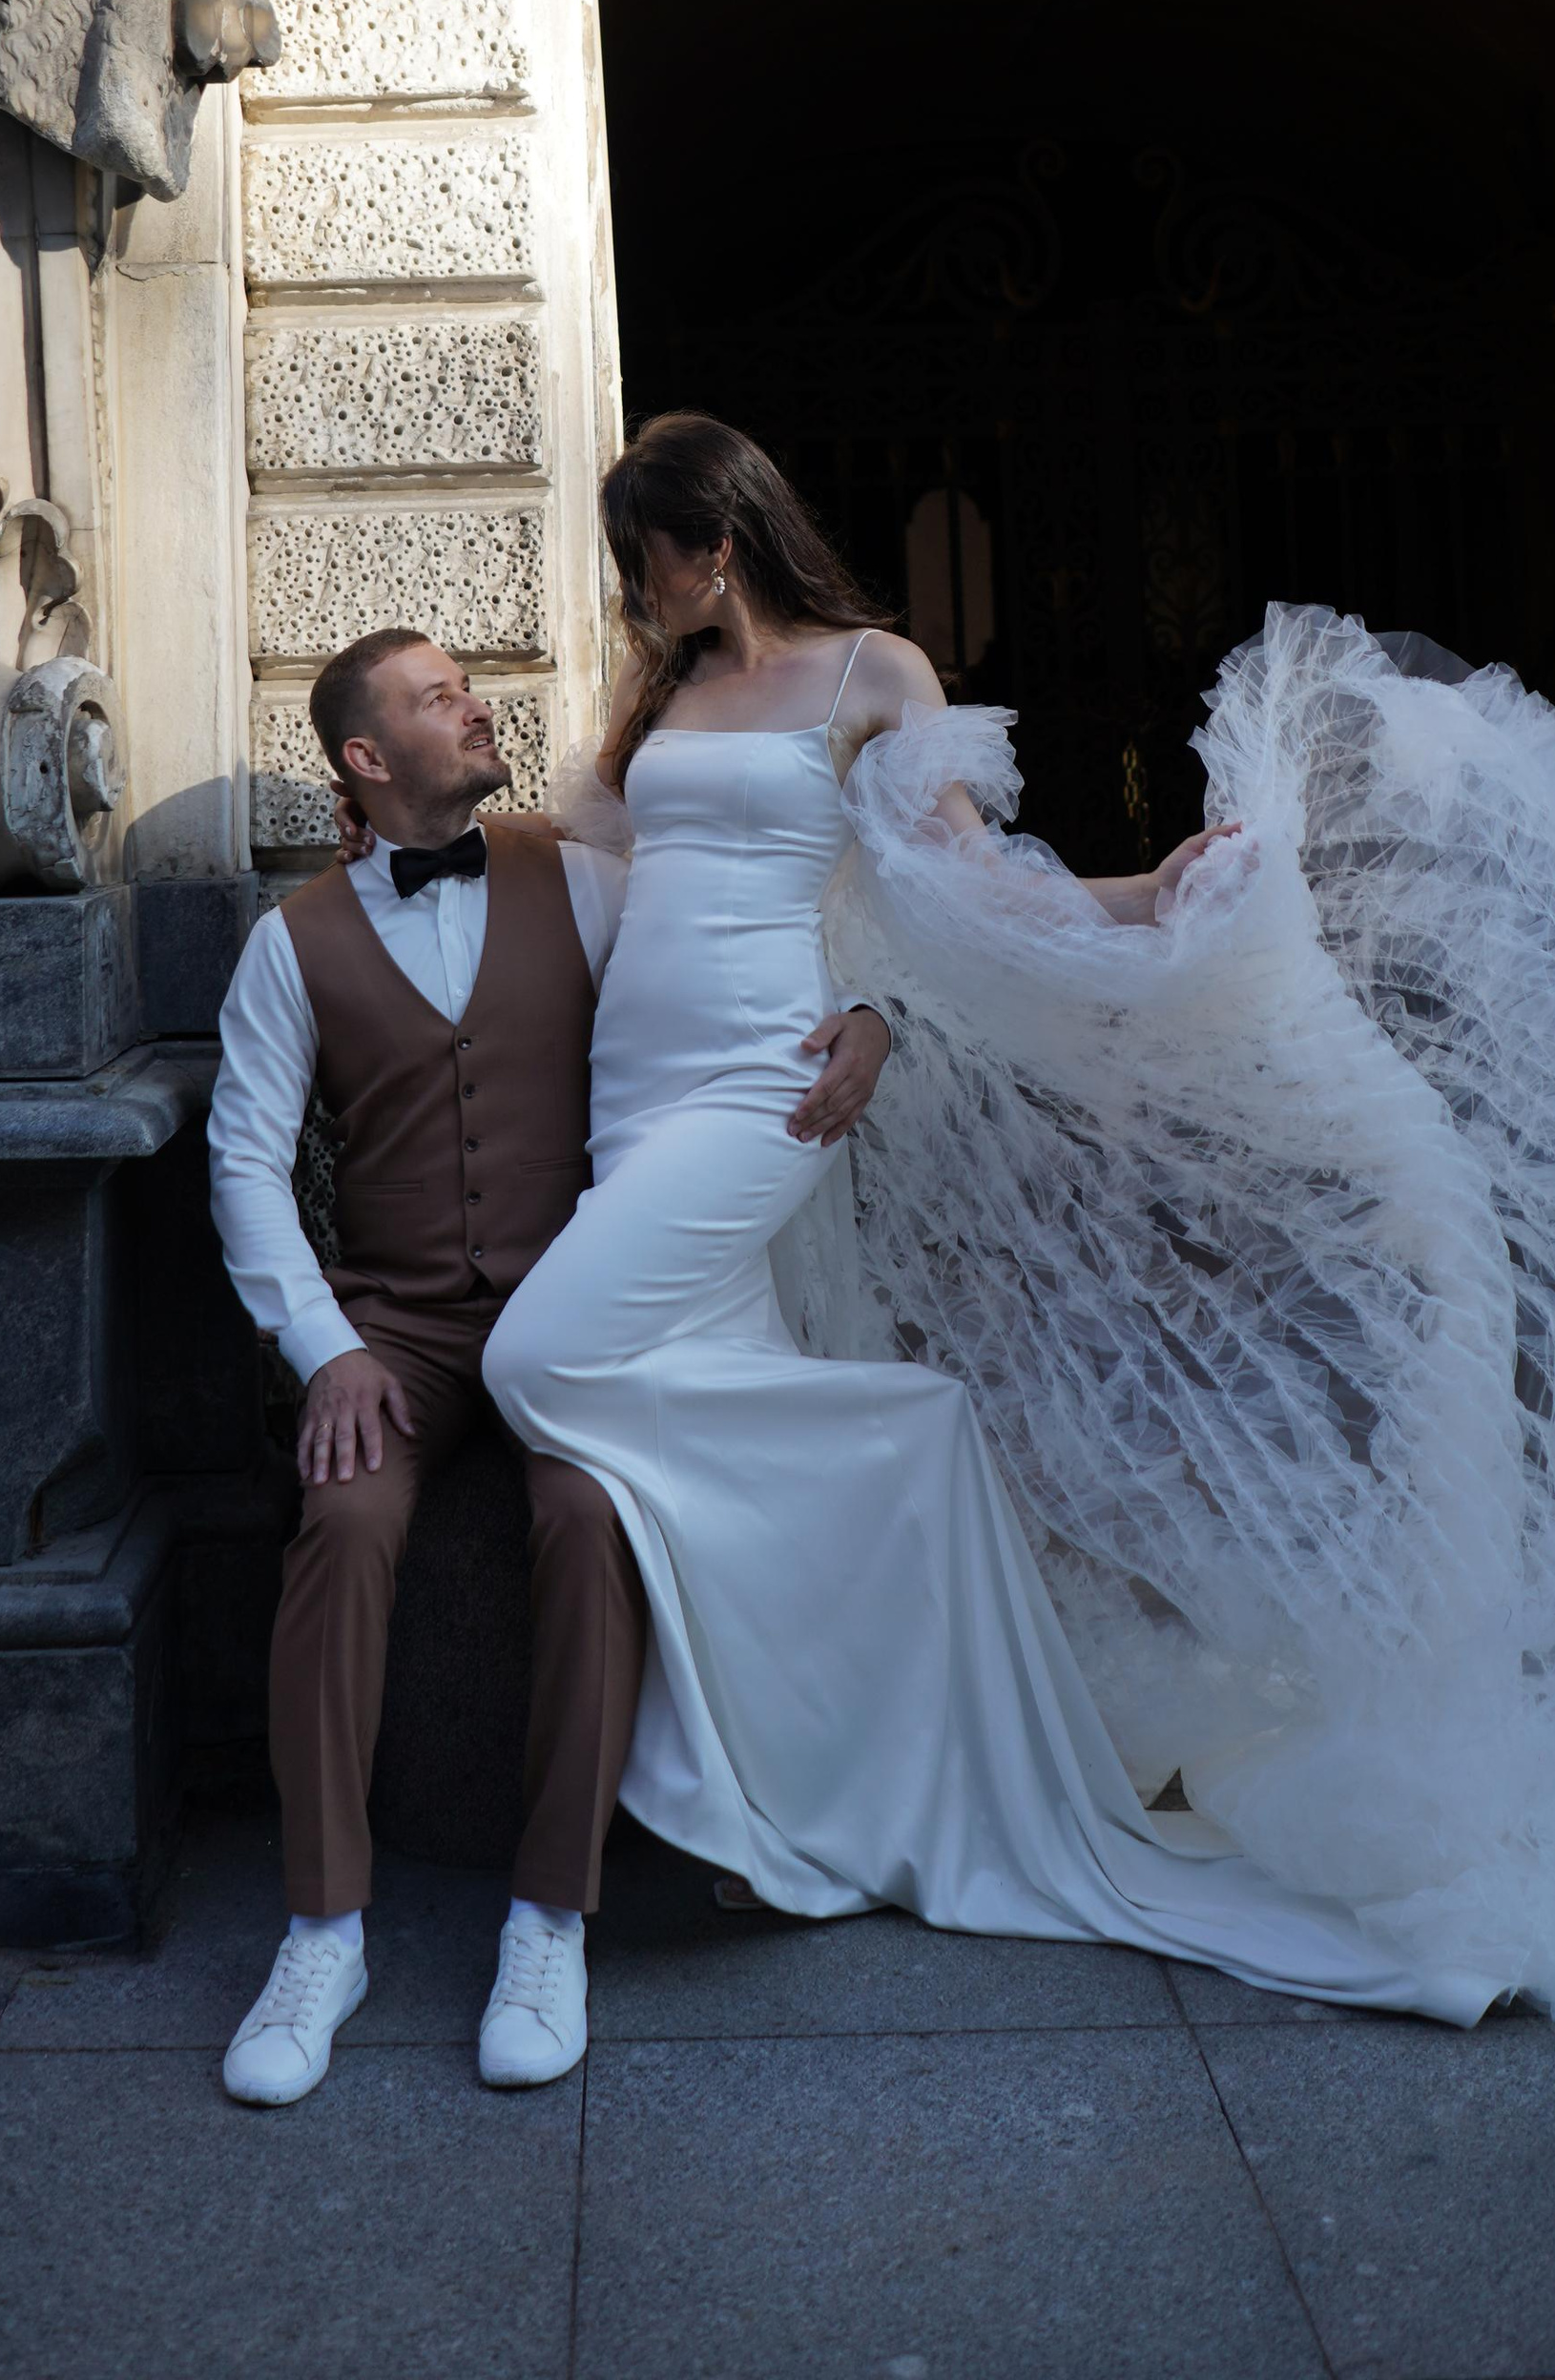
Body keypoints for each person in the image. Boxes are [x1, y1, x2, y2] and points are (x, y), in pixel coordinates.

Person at [482, 412, 1555, 2052]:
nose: (633, 594)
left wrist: (1141, 893)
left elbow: (959, 887)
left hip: (774, 1085)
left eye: (641, 560)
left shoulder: (873, 674)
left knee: (539, 1357)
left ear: (712, 544)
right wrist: (410, 841)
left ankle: (913, 1438)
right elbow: (592, 852)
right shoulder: (660, 699)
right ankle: (793, 1809)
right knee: (682, 1407)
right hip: (637, 1086)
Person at [203, 621, 897, 2104]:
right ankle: (324, 1929)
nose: (476, 703)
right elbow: (245, 1166)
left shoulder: (588, 885)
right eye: (437, 698)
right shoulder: (290, 944)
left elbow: (755, 943)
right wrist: (325, 1352)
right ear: (366, 760)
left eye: (469, 685)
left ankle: (548, 1916)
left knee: (592, 1521)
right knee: (341, 1525)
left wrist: (873, 1015)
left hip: (575, 1308)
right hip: (393, 1330)